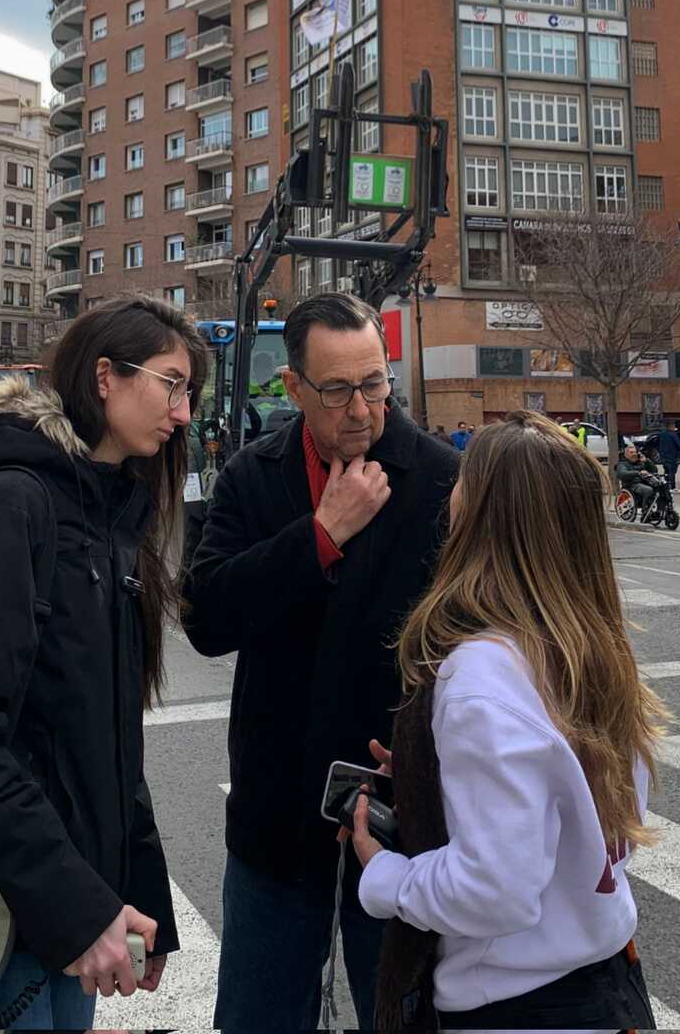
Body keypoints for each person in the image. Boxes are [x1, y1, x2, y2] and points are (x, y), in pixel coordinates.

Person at [0, 297, 208, 1031]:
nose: (184, 413)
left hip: (68, 918)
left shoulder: (105, 517)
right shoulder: (14, 506)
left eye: (187, 390)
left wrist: (140, 895)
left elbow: (106, 744)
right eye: (171, 383)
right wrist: (79, 906)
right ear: (105, 376)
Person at [183, 292, 460, 1033]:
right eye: (337, 390)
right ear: (295, 389)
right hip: (279, 806)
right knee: (259, 1014)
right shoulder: (253, 475)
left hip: (404, 807)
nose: (362, 409)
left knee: (399, 1014)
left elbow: (482, 635)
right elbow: (205, 618)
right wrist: (321, 536)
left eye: (375, 383)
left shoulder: (440, 477)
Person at [353, 411, 665, 1030]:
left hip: (516, 1001)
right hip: (607, 981)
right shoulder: (586, 649)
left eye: (468, 478)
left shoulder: (478, 675)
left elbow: (496, 888)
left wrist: (386, 876)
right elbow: (574, 809)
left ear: (489, 512)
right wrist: (436, 780)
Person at [616, 444, 657, 518]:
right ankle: (645, 513)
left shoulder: (641, 462)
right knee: (648, 490)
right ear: (626, 455)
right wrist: (638, 473)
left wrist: (646, 461)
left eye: (635, 452)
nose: (634, 454)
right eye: (631, 452)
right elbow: (622, 474)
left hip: (643, 483)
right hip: (631, 485)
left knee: (659, 487)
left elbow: (654, 470)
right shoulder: (622, 464)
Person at [655, 421, 680, 491]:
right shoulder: (673, 434)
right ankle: (672, 487)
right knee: (672, 472)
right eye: (674, 426)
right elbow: (679, 445)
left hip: (663, 456)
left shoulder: (660, 434)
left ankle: (666, 486)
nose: (675, 428)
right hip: (672, 456)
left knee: (666, 471)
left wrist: (660, 451)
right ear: (671, 427)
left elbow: (656, 444)